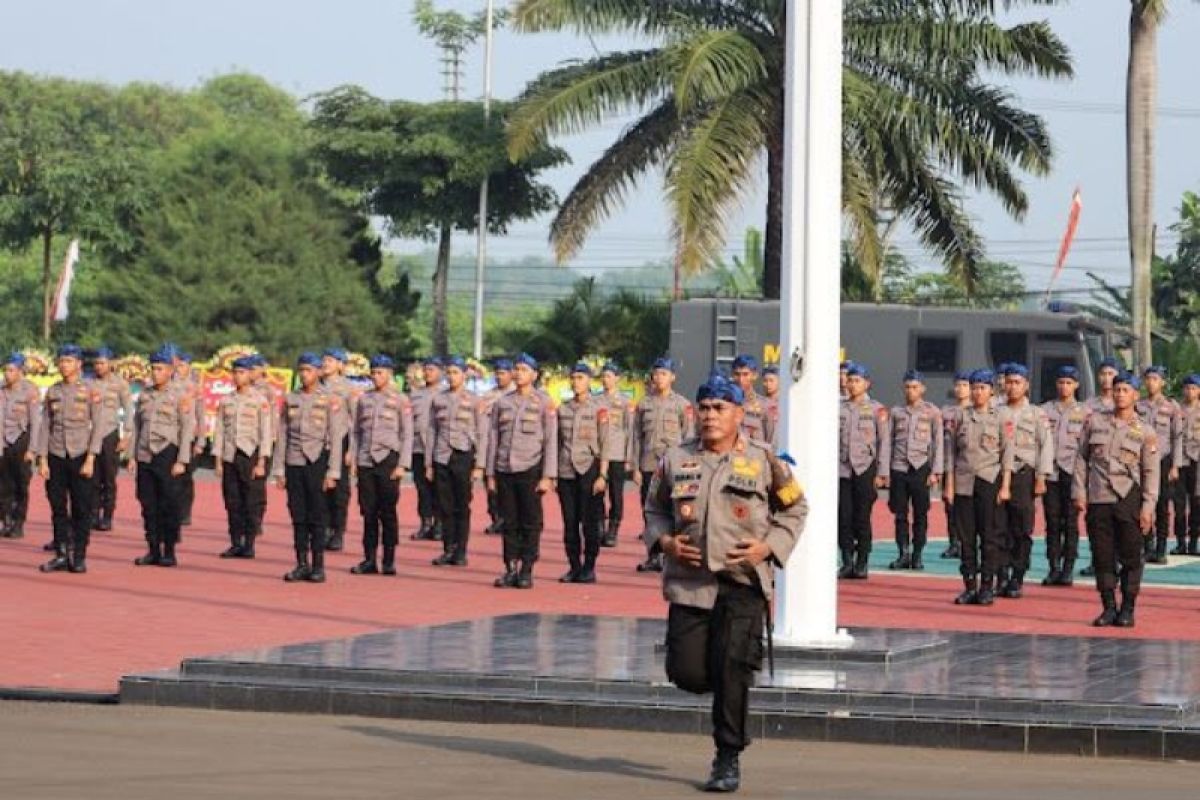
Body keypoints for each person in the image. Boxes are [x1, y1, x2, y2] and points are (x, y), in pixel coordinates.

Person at [643, 372, 805, 794]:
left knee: (732, 669)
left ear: (739, 413)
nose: (710, 416)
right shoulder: (675, 459)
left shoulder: (766, 461)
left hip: (742, 582)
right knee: (687, 672)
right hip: (691, 584)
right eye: (705, 407)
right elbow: (655, 509)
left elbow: (795, 509)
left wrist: (766, 548)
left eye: (720, 408)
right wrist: (664, 542)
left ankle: (727, 757)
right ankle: (727, 682)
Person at [1074, 371, 1158, 627]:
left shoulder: (1145, 431)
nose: (1120, 395)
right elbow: (1081, 459)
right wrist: (1079, 492)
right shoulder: (1095, 422)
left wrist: (1148, 507)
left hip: (1128, 497)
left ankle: (1128, 607)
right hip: (1099, 498)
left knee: (1132, 555)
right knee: (1102, 554)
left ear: (1136, 395)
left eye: (1125, 390)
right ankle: (1108, 606)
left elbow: (1150, 472)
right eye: (1117, 390)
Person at [272, 353, 345, 583]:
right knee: (298, 515)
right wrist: (279, 470)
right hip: (294, 462)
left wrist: (333, 472)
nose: (304, 375)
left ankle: (318, 565)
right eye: (301, 370)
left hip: (317, 462)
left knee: (317, 515)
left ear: (319, 372)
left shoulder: (329, 400)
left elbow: (335, 438)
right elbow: (282, 435)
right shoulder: (290, 399)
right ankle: (301, 563)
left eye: (309, 370)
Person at [486, 353, 557, 589]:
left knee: (530, 521)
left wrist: (548, 475)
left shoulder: (544, 403)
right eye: (516, 369)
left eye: (524, 369)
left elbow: (550, 440)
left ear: (534, 375)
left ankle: (527, 568)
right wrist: (490, 473)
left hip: (530, 468)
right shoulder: (502, 403)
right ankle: (510, 567)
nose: (518, 373)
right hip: (505, 468)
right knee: (509, 521)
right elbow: (493, 439)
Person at [945, 369, 1013, 606]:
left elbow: (1007, 455)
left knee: (989, 537)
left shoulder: (1000, 418)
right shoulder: (960, 417)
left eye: (982, 388)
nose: (977, 392)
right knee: (966, 539)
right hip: (964, 483)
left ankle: (987, 586)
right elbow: (951, 454)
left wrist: (1005, 487)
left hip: (989, 481)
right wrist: (949, 486)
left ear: (991, 390)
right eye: (974, 388)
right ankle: (969, 586)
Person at [35, 345, 104, 574]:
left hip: (80, 454)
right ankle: (61, 554)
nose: (63, 365)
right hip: (56, 455)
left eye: (68, 361)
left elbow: (99, 425)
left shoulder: (90, 390)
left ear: (78, 364)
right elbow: (45, 426)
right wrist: (42, 458)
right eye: (61, 361)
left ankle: (79, 555)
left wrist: (92, 458)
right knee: (57, 507)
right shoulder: (53, 392)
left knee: (81, 508)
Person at [128, 349, 196, 568]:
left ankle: (169, 550)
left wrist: (182, 460)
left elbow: (187, 430)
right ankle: (153, 549)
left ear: (170, 370)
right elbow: (137, 427)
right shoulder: (145, 395)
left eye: (159, 369)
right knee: (148, 504)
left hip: (168, 453)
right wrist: (131, 455)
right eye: (153, 368)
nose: (155, 373)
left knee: (169, 503)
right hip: (146, 454)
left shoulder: (180, 395)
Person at [350, 354, 413, 575]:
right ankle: (369, 559)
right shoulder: (364, 400)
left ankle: (388, 559)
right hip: (367, 460)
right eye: (374, 372)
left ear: (389, 374)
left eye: (380, 373)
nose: (376, 377)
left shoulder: (400, 400)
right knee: (368, 512)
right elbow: (356, 432)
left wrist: (403, 464)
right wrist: (355, 458)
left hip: (388, 460)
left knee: (387, 511)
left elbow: (407, 435)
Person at [631, 357, 694, 572]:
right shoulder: (643, 404)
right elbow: (636, 437)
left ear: (672, 377)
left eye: (664, 374)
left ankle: (672, 554)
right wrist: (635, 467)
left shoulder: (682, 405)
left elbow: (689, 437)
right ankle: (653, 554)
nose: (659, 378)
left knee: (676, 510)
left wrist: (687, 467)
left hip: (673, 466)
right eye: (656, 373)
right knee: (649, 510)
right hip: (649, 464)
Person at [996, 363, 1053, 598]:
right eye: (1008, 382)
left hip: (1024, 474)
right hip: (998, 474)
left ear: (1026, 385)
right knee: (998, 527)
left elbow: (1046, 446)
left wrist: (1041, 477)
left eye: (1017, 382)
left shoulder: (1036, 414)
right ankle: (1000, 574)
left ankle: (1017, 576)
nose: (1012, 387)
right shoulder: (996, 412)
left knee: (1021, 528)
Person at [426, 356, 486, 567]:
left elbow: (482, 432)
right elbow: (432, 431)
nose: (452, 377)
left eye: (456, 373)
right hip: (442, 456)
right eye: (449, 373)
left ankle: (461, 550)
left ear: (464, 375)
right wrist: (429, 463)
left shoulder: (475, 401)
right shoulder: (439, 400)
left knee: (462, 505)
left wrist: (480, 464)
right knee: (444, 506)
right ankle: (447, 548)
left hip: (463, 454)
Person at [555, 362, 612, 584]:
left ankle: (589, 566)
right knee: (570, 522)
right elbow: (557, 442)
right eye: (573, 377)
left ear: (589, 381)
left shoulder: (599, 408)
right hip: (566, 470)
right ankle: (573, 566)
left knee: (590, 522)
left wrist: (603, 475)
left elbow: (605, 443)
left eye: (580, 378)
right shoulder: (563, 408)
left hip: (590, 469)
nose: (575, 382)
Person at [213, 357, 273, 559]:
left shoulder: (259, 401)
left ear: (250, 375)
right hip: (230, 455)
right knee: (232, 500)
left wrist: (262, 461)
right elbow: (219, 430)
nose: (238, 377)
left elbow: (265, 432)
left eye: (242, 373)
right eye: (235, 373)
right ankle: (235, 542)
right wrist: (218, 460)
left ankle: (249, 543)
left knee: (252, 500)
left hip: (251, 454)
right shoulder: (226, 400)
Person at [886, 370, 943, 571]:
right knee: (900, 514)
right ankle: (903, 553)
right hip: (899, 467)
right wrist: (884, 472)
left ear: (923, 389)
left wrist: (936, 471)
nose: (911, 391)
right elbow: (887, 443)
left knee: (921, 514)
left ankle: (918, 554)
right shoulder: (896, 412)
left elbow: (938, 444)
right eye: (908, 387)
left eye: (915, 387)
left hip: (920, 468)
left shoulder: (932, 412)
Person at [837, 362, 889, 580]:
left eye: (857, 380)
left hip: (865, 468)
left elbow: (884, 442)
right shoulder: (838, 407)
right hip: (842, 468)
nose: (852, 384)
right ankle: (846, 560)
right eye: (850, 380)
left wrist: (882, 473)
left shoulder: (877, 410)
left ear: (867, 384)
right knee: (843, 517)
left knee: (862, 517)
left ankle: (862, 561)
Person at [1041, 366, 1090, 585]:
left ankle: (1068, 566)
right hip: (1050, 472)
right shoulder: (1045, 410)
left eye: (1069, 383)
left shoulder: (1086, 413)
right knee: (1052, 521)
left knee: (1070, 522)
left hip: (1073, 472)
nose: (1064, 387)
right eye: (1061, 382)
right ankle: (1053, 566)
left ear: (1076, 385)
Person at [1135, 365, 1182, 565]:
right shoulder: (1138, 406)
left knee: (1162, 505)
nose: (1151, 382)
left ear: (1162, 382)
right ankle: (1148, 545)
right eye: (1148, 378)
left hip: (1163, 460)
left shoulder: (1172, 407)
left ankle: (1161, 548)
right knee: (1142, 502)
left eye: (1155, 379)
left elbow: (1177, 438)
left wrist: (1176, 466)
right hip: (1140, 460)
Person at [1080, 356, 1122, 578]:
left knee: (1119, 520)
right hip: (1096, 471)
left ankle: (1116, 560)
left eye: (1111, 374)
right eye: (1103, 374)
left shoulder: (1124, 403)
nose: (1107, 379)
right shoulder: (1088, 406)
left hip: (1120, 472)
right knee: (1095, 521)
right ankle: (1097, 560)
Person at [89, 347, 133, 532]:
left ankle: (107, 516)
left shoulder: (120, 384)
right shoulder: (88, 383)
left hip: (110, 433)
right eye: (96, 363)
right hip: (91, 435)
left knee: (108, 478)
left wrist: (127, 436)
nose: (99, 367)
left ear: (111, 364)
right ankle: (92, 514)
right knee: (91, 478)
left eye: (102, 363)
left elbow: (129, 410)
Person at [320, 348, 360, 552]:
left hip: (340, 443)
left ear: (340, 365)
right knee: (320, 489)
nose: (325, 363)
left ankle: (337, 531)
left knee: (339, 490)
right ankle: (323, 528)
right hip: (318, 443)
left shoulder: (348, 389)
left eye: (330, 360)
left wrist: (352, 450)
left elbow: (356, 422)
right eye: (324, 360)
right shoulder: (314, 386)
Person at [0, 353, 41, 540]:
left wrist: (33, 450)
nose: (7, 374)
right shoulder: (1, 390)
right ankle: (6, 520)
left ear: (20, 372)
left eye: (11, 370)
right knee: (3, 484)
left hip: (21, 440)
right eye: (5, 370)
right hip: (3, 441)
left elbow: (35, 423)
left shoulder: (29, 392)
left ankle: (18, 523)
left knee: (21, 485)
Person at [596, 361, 634, 548]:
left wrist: (629, 458)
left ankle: (613, 529)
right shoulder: (595, 401)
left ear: (617, 379)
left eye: (609, 376)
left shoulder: (625, 403)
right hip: (599, 454)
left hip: (617, 453)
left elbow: (630, 430)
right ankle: (599, 527)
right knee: (597, 493)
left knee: (616, 495)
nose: (605, 379)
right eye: (603, 376)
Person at [409, 357, 443, 541]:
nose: (428, 373)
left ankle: (439, 524)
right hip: (418, 448)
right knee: (422, 489)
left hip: (439, 449)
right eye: (426, 369)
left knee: (439, 489)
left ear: (440, 372)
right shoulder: (415, 395)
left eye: (432, 369)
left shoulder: (445, 393)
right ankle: (425, 523)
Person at [939, 370, 972, 559]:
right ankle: (954, 542)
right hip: (950, 465)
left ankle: (967, 542)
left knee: (968, 508)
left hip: (969, 466)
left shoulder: (974, 411)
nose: (960, 389)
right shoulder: (946, 412)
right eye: (958, 385)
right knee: (950, 506)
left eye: (965, 385)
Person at [482, 358, 515, 535]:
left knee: (507, 487)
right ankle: (496, 517)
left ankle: (507, 518)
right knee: (491, 484)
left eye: (503, 373)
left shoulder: (514, 394)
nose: (499, 377)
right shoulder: (488, 396)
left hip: (509, 446)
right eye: (497, 373)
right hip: (489, 446)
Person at [171, 350, 203, 528]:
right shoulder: (168, 385)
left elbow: (201, 416)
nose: (179, 369)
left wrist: (200, 441)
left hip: (188, 437)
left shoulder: (194, 388)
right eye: (177, 365)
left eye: (182, 365)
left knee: (185, 478)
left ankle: (185, 512)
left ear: (188, 367)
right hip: (171, 437)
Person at [1177, 373, 1200, 556]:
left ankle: (1193, 542)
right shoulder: (1176, 410)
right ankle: (1180, 542)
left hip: (1197, 462)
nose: (1190, 391)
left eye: (1193, 388)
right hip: (1180, 461)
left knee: (1196, 504)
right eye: (1187, 388)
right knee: (1179, 506)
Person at [730, 354, 774, 444]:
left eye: (745, 374)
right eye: (737, 374)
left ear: (754, 376)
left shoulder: (766, 405)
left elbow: (771, 443)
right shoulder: (724, 404)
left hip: (754, 456)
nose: (741, 379)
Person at [762, 365, 780, 448]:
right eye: (765, 381)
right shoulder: (760, 404)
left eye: (771, 381)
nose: (768, 384)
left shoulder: (785, 404)